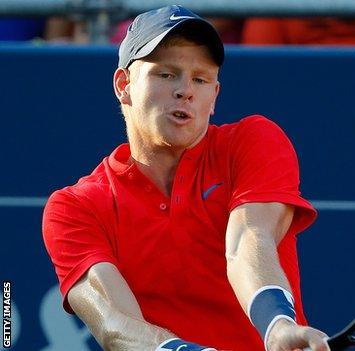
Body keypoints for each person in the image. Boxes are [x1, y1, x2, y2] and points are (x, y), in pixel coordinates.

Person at [42, 5, 329, 351]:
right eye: (166, 74)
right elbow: (115, 325)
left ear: (214, 97)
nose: (185, 90)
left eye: (200, 78)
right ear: (124, 86)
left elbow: (247, 242)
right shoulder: (74, 207)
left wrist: (277, 326)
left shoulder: (253, 141)